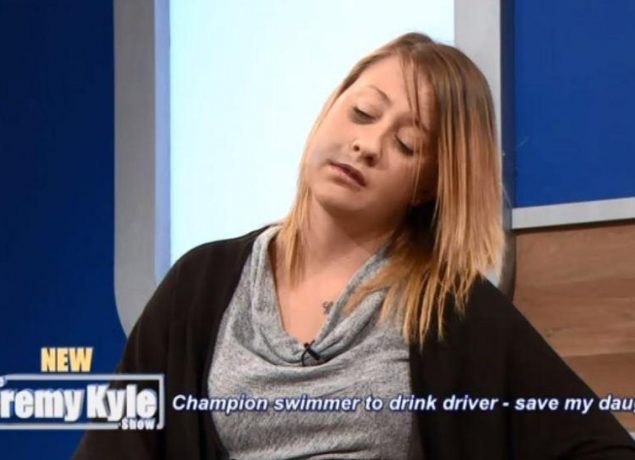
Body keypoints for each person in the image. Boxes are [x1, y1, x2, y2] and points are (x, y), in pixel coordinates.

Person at [74, 32, 635, 459]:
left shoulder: (451, 311)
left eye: (407, 144)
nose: (367, 144)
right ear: (331, 107)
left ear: (429, 186)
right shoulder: (200, 283)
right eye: (363, 112)